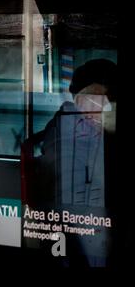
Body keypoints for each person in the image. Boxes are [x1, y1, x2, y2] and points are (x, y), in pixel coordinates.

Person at [25, 58, 117, 266]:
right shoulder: (66, 135)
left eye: (110, 98)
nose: (108, 106)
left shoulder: (94, 131)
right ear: (83, 100)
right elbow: (71, 208)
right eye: (101, 97)